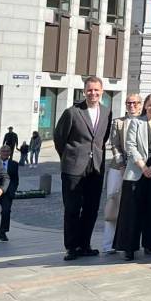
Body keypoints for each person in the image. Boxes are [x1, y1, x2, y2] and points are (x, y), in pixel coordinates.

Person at [54, 77, 112, 261]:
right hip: (73, 168)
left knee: (91, 208)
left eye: (96, 90)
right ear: (84, 91)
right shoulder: (72, 112)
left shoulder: (106, 112)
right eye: (89, 90)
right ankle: (71, 247)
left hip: (95, 168)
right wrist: (69, 157)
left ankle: (85, 244)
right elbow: (59, 138)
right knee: (72, 208)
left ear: (102, 91)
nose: (93, 93)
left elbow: (102, 139)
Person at [115, 93, 151, 260]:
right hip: (137, 171)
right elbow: (130, 146)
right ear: (145, 106)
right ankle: (129, 248)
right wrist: (143, 166)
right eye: (150, 105)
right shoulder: (136, 123)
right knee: (131, 211)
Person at [103, 94, 142, 254]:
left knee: (134, 205)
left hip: (139, 168)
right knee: (113, 200)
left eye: (135, 103)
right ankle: (108, 243)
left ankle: (131, 242)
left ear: (140, 105)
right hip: (118, 168)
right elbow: (115, 145)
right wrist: (121, 164)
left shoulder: (145, 121)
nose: (131, 105)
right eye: (128, 103)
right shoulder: (118, 122)